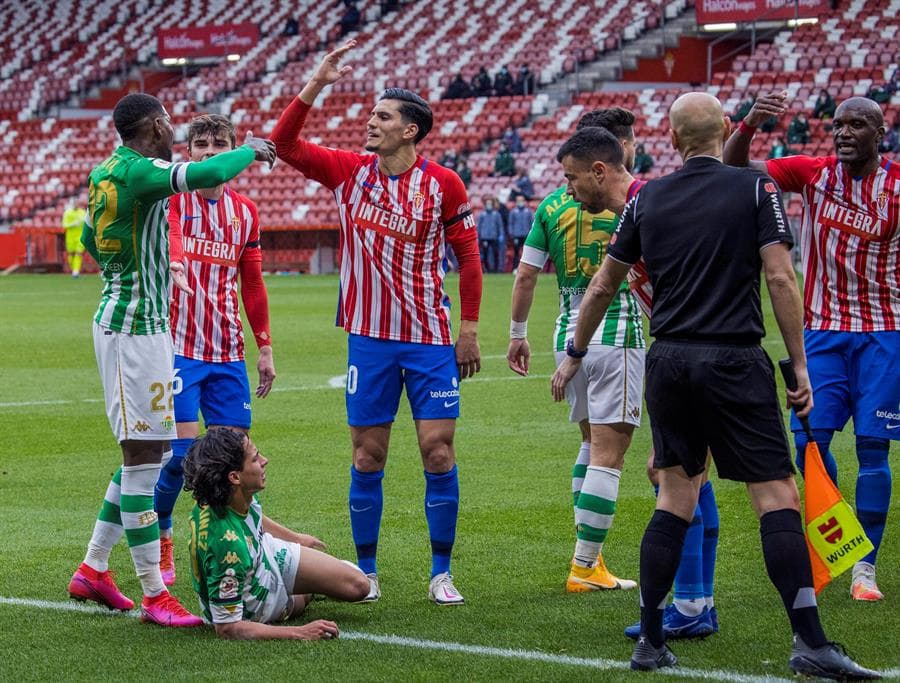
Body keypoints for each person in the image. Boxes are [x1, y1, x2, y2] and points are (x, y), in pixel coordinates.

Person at [553, 91, 878, 680]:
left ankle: (650, 639)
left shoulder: (648, 197)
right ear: (724, 129)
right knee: (775, 496)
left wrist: (574, 352)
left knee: (673, 497)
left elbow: (602, 286)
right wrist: (800, 367)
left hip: (670, 361)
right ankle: (809, 641)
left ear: (672, 140)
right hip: (734, 359)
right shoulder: (757, 190)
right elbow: (780, 277)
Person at [271, 40, 483, 605]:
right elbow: (284, 144)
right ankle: (367, 573)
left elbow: (469, 257)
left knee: (438, 452)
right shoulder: (349, 173)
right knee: (369, 455)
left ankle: (442, 572)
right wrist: (316, 81)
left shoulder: (444, 184)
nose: (371, 122)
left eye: (383, 116)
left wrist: (468, 329)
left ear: (411, 130)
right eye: (370, 115)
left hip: (431, 339)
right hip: (369, 339)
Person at [67, 92, 275, 627]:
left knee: (150, 454)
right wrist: (250, 149)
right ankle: (156, 593)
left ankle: (93, 567)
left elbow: (93, 235)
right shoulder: (141, 171)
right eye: (169, 125)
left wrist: (128, 274)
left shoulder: (107, 170)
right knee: (145, 462)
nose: (173, 132)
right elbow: (207, 171)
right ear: (157, 126)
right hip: (133, 332)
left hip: (146, 327)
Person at [725, 92, 900, 603]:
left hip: (884, 332)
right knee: (811, 444)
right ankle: (837, 546)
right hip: (821, 330)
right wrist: (750, 123)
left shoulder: (896, 186)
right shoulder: (813, 172)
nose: (844, 132)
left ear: (879, 133)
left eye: (857, 125)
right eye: (838, 125)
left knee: (873, 448)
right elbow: (737, 168)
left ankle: (865, 568)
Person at [508, 109, 646, 594]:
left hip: (568, 330)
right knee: (610, 454)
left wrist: (516, 331)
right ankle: (585, 565)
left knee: (590, 445)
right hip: (618, 329)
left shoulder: (552, 205)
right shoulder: (632, 201)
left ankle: (592, 558)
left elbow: (525, 273)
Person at [153, 113, 277, 587]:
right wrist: (178, 265)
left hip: (227, 352)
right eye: (200, 144)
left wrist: (264, 348)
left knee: (233, 465)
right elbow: (174, 240)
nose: (209, 152)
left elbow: (253, 283)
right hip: (179, 350)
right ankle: (164, 535)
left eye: (218, 144)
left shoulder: (245, 212)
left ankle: (245, 542)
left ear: (231, 151)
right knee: (180, 456)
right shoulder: (175, 202)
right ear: (188, 154)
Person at [183, 428, 371, 639]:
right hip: (256, 600)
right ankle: (303, 595)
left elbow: (254, 517)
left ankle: (309, 583)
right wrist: (300, 632)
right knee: (306, 599)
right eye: (255, 459)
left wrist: (296, 538)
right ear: (235, 476)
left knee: (360, 586)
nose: (265, 461)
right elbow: (227, 628)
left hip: (262, 551)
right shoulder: (228, 547)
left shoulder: (225, 493)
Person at [506, 195, 532, 271]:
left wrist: (531, 233)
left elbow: (532, 223)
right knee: (516, 253)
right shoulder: (513, 212)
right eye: (518, 201)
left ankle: (528, 269)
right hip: (516, 235)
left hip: (526, 235)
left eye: (522, 200)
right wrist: (512, 234)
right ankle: (515, 268)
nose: (520, 202)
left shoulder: (528, 211)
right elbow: (510, 223)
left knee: (527, 253)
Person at [477, 197, 503, 273]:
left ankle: (495, 269)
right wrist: (479, 236)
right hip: (484, 237)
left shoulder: (497, 214)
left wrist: (501, 234)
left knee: (496, 253)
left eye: (490, 204)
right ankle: (487, 269)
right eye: (487, 204)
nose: (489, 205)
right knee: (485, 254)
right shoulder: (482, 215)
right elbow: (479, 226)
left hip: (494, 237)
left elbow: (500, 226)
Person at [62, 200, 87, 277]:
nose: (76, 204)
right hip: (70, 237)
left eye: (77, 203)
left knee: (78, 253)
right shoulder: (67, 213)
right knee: (71, 254)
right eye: (75, 203)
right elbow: (64, 225)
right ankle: (74, 269)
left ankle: (76, 271)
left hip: (80, 236)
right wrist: (73, 224)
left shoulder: (83, 212)